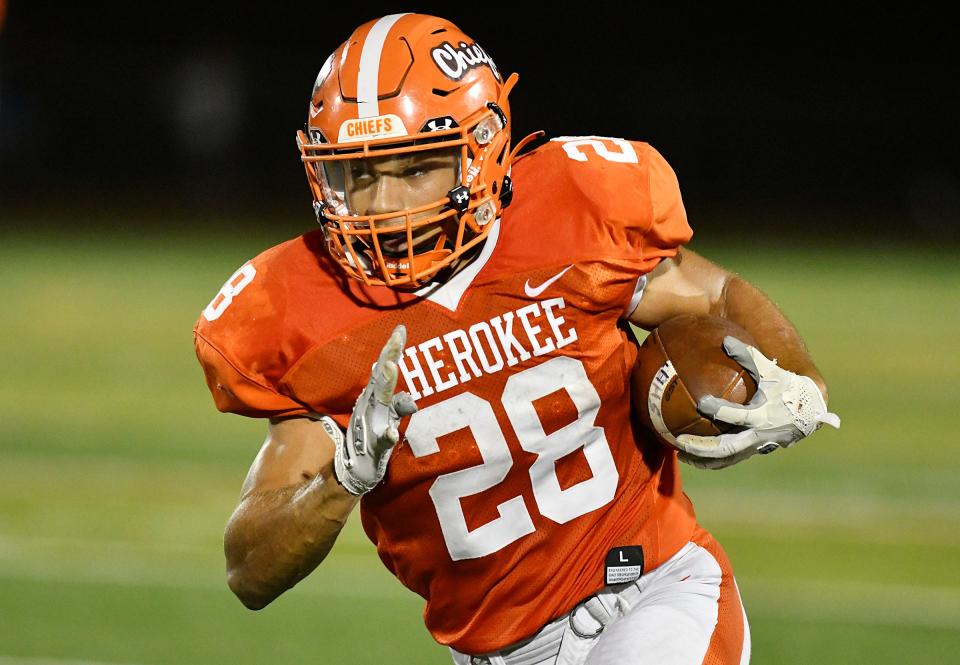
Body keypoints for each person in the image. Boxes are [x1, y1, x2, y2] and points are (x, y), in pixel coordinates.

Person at [193, 13, 839, 665]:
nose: (381, 205)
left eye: (414, 166)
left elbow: (715, 294)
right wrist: (344, 474)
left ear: (482, 144)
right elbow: (248, 570)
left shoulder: (575, 210)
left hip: (651, 596)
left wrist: (799, 380)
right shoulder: (308, 309)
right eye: (358, 173)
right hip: (491, 651)